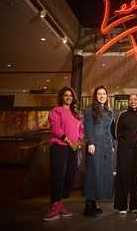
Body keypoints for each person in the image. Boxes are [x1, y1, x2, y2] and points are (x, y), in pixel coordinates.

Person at [43, 86, 83, 222]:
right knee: (58, 175)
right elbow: (55, 129)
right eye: (66, 95)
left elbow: (81, 130)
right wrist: (70, 142)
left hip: (74, 149)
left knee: (68, 177)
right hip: (60, 147)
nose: (68, 98)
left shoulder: (76, 114)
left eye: (71, 96)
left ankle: (60, 204)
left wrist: (78, 143)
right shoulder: (56, 111)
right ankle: (54, 206)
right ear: (61, 97)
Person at [82, 85, 115, 216]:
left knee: (103, 173)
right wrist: (90, 142)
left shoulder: (109, 112)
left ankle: (95, 202)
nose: (102, 96)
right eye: (99, 94)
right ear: (95, 96)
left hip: (106, 145)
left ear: (107, 97)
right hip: (95, 144)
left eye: (104, 94)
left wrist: (112, 144)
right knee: (93, 172)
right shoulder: (90, 109)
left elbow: (110, 130)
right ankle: (88, 204)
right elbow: (88, 127)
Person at [113, 94, 137, 215]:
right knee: (123, 175)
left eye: (135, 99)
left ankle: (135, 205)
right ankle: (122, 205)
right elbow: (116, 132)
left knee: (136, 176)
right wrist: (123, 143)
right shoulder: (123, 114)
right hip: (125, 149)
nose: (133, 101)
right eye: (130, 99)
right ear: (128, 102)